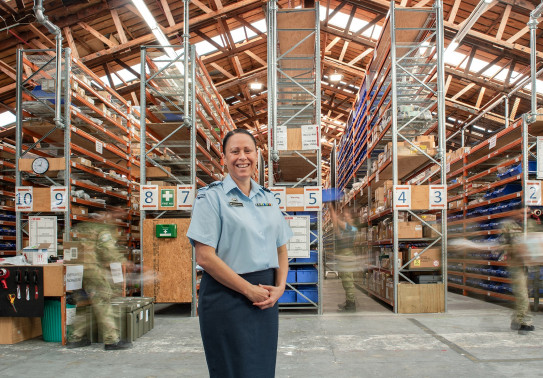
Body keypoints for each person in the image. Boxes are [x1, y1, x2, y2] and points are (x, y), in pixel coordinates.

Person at [187, 128, 293, 378]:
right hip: (227, 296)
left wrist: (280, 287)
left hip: (266, 298)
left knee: (262, 368)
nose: (242, 157)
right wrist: (248, 290)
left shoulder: (268, 199)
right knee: (232, 370)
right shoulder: (211, 198)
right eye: (234, 151)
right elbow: (204, 257)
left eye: (248, 150)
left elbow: (281, 248)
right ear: (224, 157)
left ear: (257, 155)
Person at [66, 210, 133, 350]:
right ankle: (111, 340)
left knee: (84, 304)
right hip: (93, 272)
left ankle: (75, 338)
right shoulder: (101, 230)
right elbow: (108, 251)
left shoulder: (79, 228)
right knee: (103, 302)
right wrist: (123, 261)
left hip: (77, 270)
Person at [500, 207, 536, 335]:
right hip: (515, 263)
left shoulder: (532, 224)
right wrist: (516, 249)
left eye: (528, 213)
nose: (525, 215)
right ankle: (524, 322)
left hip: (530, 263)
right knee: (522, 294)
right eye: (522, 212)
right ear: (515, 212)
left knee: (527, 292)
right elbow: (501, 244)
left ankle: (516, 319)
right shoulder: (507, 225)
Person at [328, 204, 358, 312]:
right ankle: (349, 301)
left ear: (352, 219)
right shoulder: (346, 228)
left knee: (348, 281)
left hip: (347, 256)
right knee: (346, 280)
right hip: (344, 255)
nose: (346, 217)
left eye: (348, 216)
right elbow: (336, 227)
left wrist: (331, 208)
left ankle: (351, 305)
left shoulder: (351, 228)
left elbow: (337, 221)